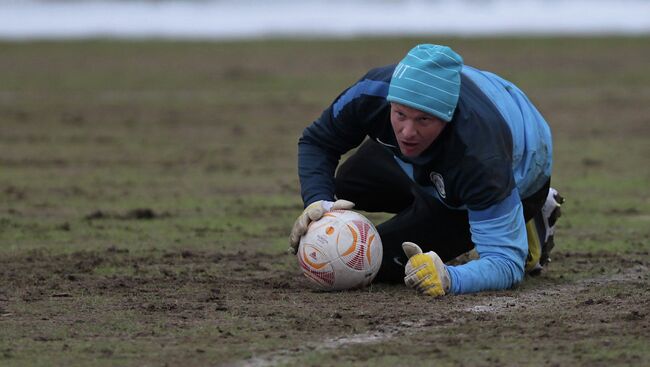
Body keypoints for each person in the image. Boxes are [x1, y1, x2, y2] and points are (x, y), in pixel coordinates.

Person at [289, 44, 563, 297]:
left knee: (374, 263)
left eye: (423, 119)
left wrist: (450, 277)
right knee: (343, 186)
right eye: (400, 115)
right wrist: (318, 202)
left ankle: (521, 215)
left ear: (446, 116)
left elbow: (505, 263)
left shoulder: (480, 157)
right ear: (391, 103)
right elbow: (318, 141)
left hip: (515, 174)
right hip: (433, 156)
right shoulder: (372, 92)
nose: (407, 131)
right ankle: (469, 210)